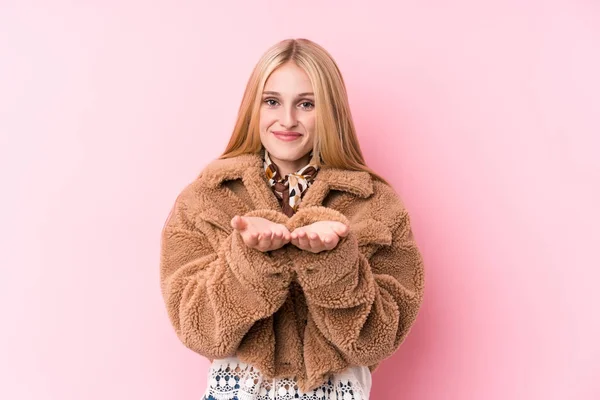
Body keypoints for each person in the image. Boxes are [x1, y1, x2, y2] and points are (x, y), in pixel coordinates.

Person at [159, 38, 425, 400]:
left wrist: (336, 263)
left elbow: (378, 339)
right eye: (272, 101)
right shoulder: (206, 197)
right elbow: (199, 331)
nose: (287, 120)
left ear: (330, 111)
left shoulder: (377, 204)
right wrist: (248, 260)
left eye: (306, 104)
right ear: (253, 107)